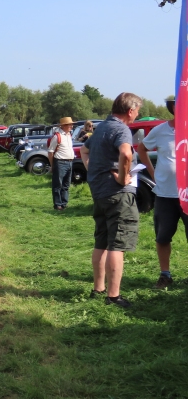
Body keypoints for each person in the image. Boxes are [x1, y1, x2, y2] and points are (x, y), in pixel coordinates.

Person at [80, 92, 142, 308]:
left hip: (100, 192)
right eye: (137, 111)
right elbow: (126, 153)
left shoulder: (102, 128)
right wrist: (124, 177)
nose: (136, 115)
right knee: (118, 244)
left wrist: (93, 173)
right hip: (118, 195)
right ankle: (113, 296)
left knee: (102, 241)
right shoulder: (121, 129)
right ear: (130, 110)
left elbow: (84, 150)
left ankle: (98, 289)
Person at [137, 99, 188, 289]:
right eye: (179, 104)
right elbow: (142, 149)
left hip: (187, 195)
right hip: (165, 194)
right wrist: (152, 173)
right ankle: (165, 274)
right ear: (173, 108)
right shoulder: (160, 130)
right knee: (163, 236)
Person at [48, 117, 75, 210]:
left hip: (69, 162)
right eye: (70, 124)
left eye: (72, 124)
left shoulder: (69, 135)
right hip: (60, 162)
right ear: (63, 126)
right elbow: (50, 151)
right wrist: (52, 165)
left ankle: (64, 203)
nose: (72, 126)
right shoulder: (57, 136)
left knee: (66, 184)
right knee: (58, 184)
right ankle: (58, 204)